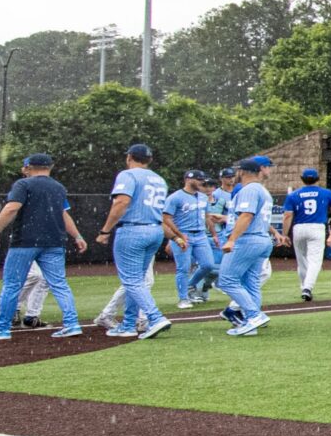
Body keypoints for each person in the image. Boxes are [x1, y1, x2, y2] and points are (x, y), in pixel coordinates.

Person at [0, 154, 87, 341]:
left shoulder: (23, 184)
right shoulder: (58, 187)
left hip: (25, 242)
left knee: (12, 285)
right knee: (59, 284)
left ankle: (2, 329)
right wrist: (77, 235)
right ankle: (72, 324)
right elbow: (63, 214)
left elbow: (11, 208)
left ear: (28, 167)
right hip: (54, 241)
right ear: (50, 167)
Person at [91, 143, 182, 340]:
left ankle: (155, 317)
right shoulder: (159, 179)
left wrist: (105, 230)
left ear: (129, 157)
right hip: (155, 229)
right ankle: (129, 324)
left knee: (130, 280)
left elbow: (121, 202)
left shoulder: (128, 175)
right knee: (137, 281)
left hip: (133, 229)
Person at [215, 157, 278, 336]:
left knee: (227, 280)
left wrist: (232, 239)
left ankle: (253, 315)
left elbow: (246, 217)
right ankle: (252, 323)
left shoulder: (249, 189)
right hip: (261, 239)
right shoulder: (262, 190)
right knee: (251, 283)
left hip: (248, 239)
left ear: (241, 172)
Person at [284, 169, 331, 301]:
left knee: (302, 261)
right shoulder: (326, 192)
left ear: (302, 179)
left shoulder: (294, 195)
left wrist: (284, 234)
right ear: (318, 178)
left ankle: (304, 286)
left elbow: (287, 215)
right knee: (315, 260)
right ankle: (307, 288)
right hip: (317, 226)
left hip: (299, 227)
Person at [167, 171, 218, 308]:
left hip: (201, 234)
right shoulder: (175, 197)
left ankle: (189, 285)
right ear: (188, 180)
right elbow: (166, 219)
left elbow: (207, 217)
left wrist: (214, 234)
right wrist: (176, 236)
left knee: (208, 265)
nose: (202, 182)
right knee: (183, 268)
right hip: (183, 234)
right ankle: (183, 298)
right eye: (199, 179)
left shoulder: (202, 197)